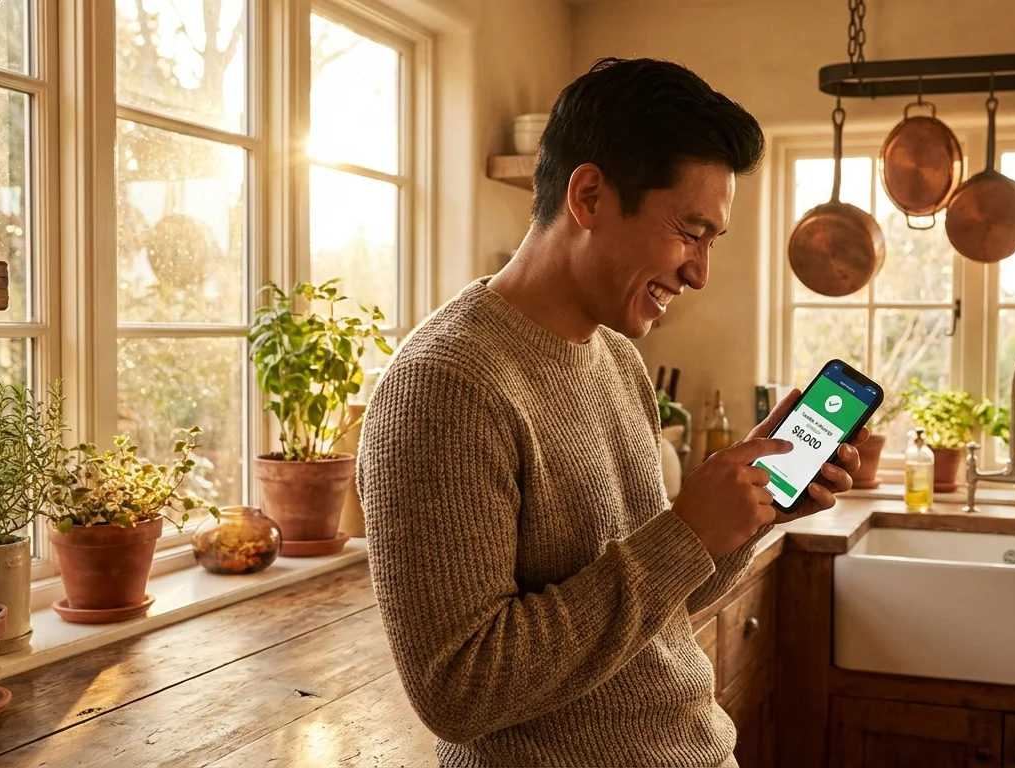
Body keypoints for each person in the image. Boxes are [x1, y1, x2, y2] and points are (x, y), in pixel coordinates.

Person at [357, 57, 866, 767]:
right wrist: (688, 532)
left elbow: (650, 612)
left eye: (712, 240)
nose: (700, 271)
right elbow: (458, 690)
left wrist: (746, 516)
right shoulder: (445, 385)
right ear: (590, 195)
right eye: (690, 231)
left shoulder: (617, 355)